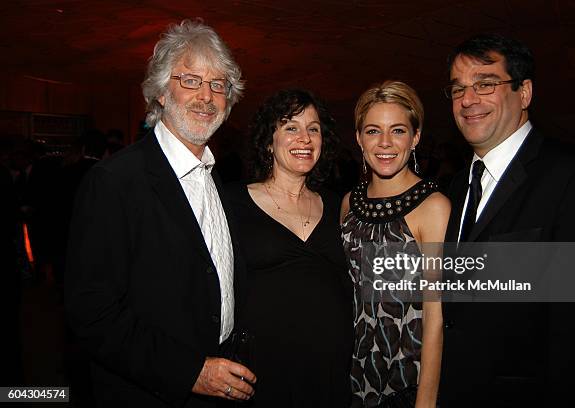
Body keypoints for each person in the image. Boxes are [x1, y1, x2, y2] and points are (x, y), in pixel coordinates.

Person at [65, 19, 256, 407]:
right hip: (150, 392)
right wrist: (191, 372)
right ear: (161, 94)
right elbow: (93, 314)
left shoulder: (218, 182)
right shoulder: (115, 181)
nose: (206, 96)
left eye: (218, 85)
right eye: (190, 80)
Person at [440, 33, 575, 406]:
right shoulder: (454, 189)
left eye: (485, 84)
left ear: (525, 92)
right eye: (458, 89)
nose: (468, 100)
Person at [226, 89, 353, 407]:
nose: (305, 138)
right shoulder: (231, 202)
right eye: (291, 127)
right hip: (262, 374)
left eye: (313, 128)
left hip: (332, 370)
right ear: (269, 140)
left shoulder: (340, 205)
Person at [341, 81, 449, 408]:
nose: (385, 143)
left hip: (407, 379)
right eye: (373, 131)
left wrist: (426, 402)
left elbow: (436, 316)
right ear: (359, 139)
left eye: (398, 130)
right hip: (353, 374)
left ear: (415, 137)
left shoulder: (433, 207)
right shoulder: (349, 203)